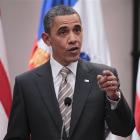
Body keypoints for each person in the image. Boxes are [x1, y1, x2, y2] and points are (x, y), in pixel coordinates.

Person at [4, 5, 134, 140]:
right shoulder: (26, 84)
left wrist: (113, 97)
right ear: (47, 39)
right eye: (63, 32)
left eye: (77, 30)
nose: (73, 39)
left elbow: (124, 129)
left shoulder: (103, 77)